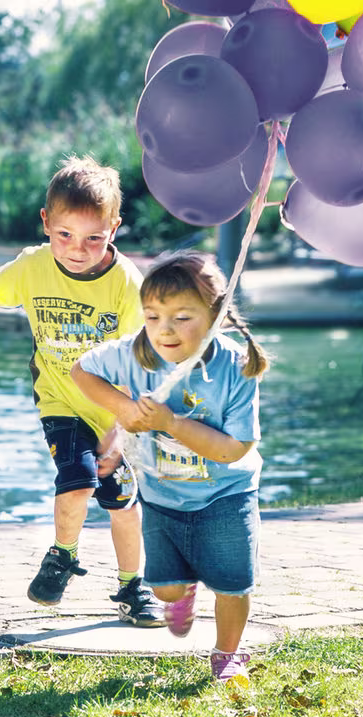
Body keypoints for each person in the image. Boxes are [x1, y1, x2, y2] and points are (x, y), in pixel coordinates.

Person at [0, 155, 165, 628]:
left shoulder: (126, 284)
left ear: (114, 229)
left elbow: (140, 360)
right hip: (59, 399)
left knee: (123, 503)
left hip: (113, 412)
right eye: (65, 235)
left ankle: (131, 586)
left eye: (92, 238)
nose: (77, 250)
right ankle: (63, 555)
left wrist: (123, 428)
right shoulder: (33, 267)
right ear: (46, 222)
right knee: (77, 480)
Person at [70, 249, 270, 683]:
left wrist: (170, 423)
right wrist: (123, 408)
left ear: (215, 316)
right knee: (165, 589)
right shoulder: (135, 353)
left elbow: (234, 449)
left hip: (226, 495)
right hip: (161, 497)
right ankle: (183, 592)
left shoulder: (235, 367)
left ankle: (227, 654)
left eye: (183, 317)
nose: (165, 330)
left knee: (233, 586)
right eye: (153, 315)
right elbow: (81, 371)